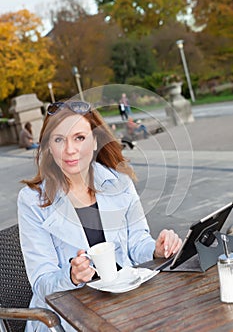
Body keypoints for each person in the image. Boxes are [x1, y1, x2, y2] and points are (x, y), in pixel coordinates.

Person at [18, 99, 182, 332]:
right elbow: (42, 282)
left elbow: (137, 243)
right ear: (48, 146)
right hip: (67, 317)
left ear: (95, 141)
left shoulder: (120, 182)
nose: (70, 150)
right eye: (58, 140)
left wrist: (157, 248)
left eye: (79, 138)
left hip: (124, 302)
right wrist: (72, 275)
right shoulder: (32, 200)